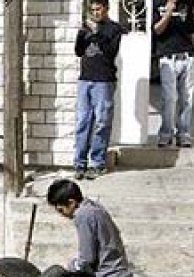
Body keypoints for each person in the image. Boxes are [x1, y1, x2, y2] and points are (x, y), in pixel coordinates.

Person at [73, 0, 124, 180]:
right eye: (93, 10)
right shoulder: (86, 28)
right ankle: (79, 164)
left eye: (98, 9)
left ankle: (97, 163)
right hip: (85, 80)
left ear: (106, 9)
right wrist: (82, 35)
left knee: (102, 123)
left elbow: (110, 51)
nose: (95, 13)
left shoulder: (114, 29)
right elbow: (78, 51)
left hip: (104, 81)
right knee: (82, 123)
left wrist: (96, 33)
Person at [153, 0, 194, 148]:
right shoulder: (157, 4)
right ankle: (166, 134)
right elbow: (157, 30)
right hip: (168, 58)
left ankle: (183, 134)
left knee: (187, 99)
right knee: (169, 98)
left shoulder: (186, 4)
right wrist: (168, 12)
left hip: (187, 56)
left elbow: (192, 32)